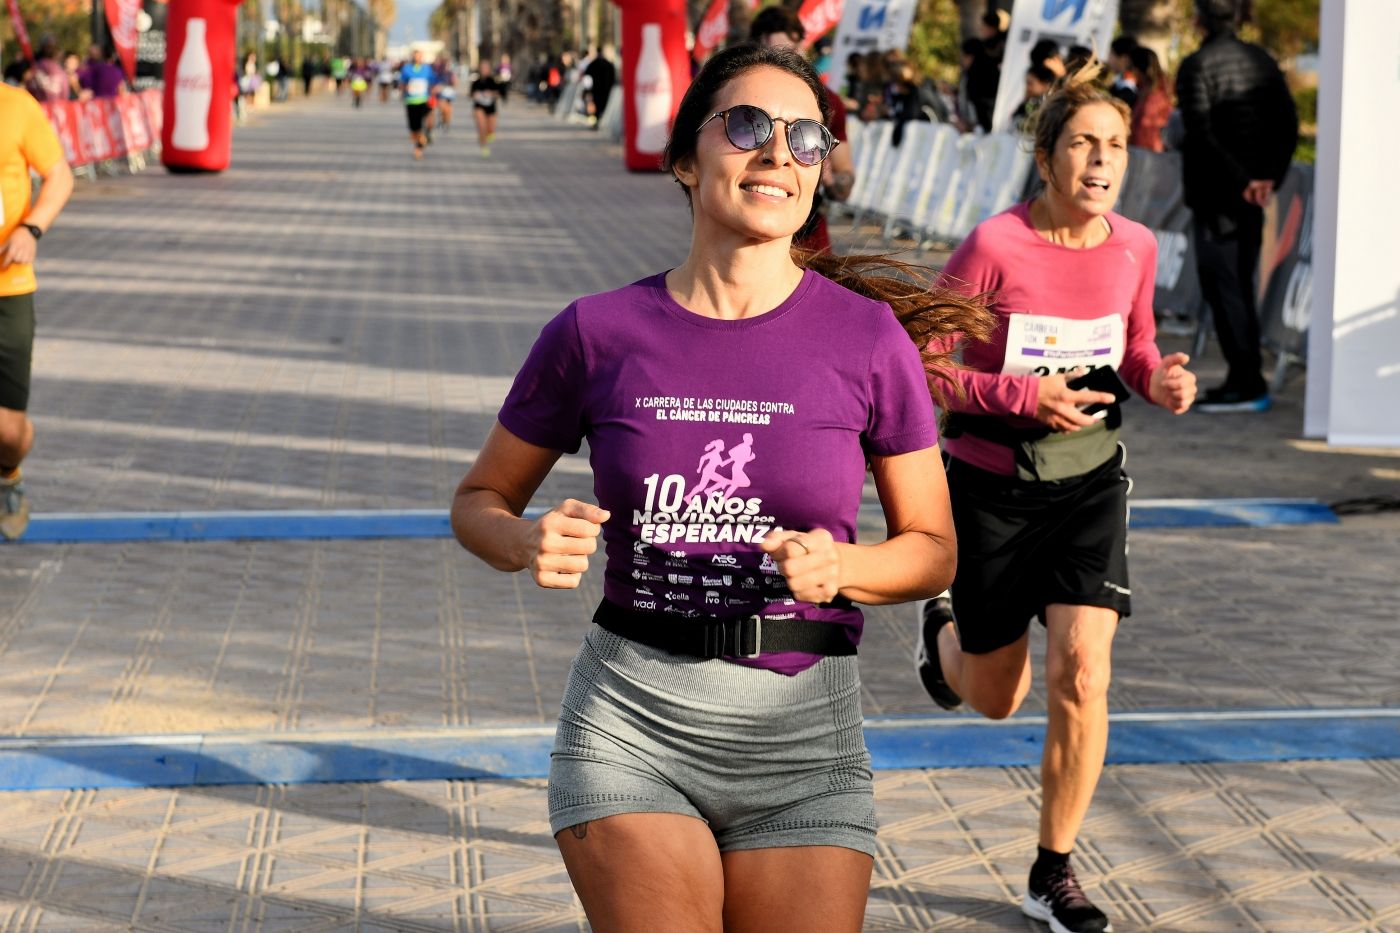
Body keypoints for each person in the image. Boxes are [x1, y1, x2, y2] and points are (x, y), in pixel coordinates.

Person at [450, 42, 991, 933]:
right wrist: (524, 539)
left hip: (805, 736)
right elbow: (480, 500)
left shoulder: (866, 340)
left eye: (806, 137)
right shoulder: (597, 331)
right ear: (684, 160)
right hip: (633, 721)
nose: (779, 153)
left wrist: (846, 567)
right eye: (747, 126)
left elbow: (933, 548)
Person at [914, 61, 1196, 933]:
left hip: (1088, 482)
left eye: (1115, 145)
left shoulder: (1134, 246)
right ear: (1046, 157)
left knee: (1083, 672)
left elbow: (1136, 345)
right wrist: (1020, 396)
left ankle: (1054, 869)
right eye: (1083, 143)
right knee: (995, 696)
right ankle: (946, 639)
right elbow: (928, 367)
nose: (1102, 161)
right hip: (991, 484)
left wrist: (1163, 380)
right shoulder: (994, 247)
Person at [1177, 0, 1298, 412]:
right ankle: (1242, 377)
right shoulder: (1263, 60)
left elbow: (1201, 133)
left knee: (1226, 288)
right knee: (1238, 287)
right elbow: (1288, 123)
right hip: (1250, 194)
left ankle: (1246, 382)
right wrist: (1267, 179)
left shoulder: (1197, 65)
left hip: (1219, 197)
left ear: (1198, 20)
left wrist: (1251, 180)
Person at [1, 80, 75, 538]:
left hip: (8, 287)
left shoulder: (16, 107)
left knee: (8, 434)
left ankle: (9, 475)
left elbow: (60, 175)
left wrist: (31, 229)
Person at [748, 6, 855, 255]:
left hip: (809, 245)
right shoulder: (732, 102)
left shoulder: (829, 103)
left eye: (795, 53)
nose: (786, 64)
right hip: (745, 241)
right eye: (776, 54)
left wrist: (831, 180)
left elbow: (845, 181)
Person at [1128, 46, 1170, 152]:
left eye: (1131, 67)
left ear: (1138, 69)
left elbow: (1147, 128)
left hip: (1147, 151)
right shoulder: (1152, 89)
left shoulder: (1155, 93)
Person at [400, 49, 434, 160]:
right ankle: (421, 140)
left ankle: (419, 148)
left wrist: (433, 96)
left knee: (422, 125)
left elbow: (433, 83)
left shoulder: (427, 69)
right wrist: (405, 88)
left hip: (424, 101)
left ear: (422, 57)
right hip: (410, 101)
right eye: (415, 56)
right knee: (413, 129)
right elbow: (402, 83)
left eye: (419, 56)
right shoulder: (406, 69)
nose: (417, 58)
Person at [469, 61, 501, 157]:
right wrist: (475, 95)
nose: (484, 70)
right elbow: (471, 94)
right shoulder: (476, 82)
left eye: (486, 68)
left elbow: (499, 94)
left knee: (490, 129)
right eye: (482, 68)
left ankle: (487, 137)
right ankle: (484, 146)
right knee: (482, 127)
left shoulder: (493, 81)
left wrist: (491, 93)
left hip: (491, 107)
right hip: (479, 107)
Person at [1107, 36, 1139, 108]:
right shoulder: (1118, 83)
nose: (1108, 59)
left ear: (1124, 58)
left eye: (1111, 54)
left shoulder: (1129, 90)